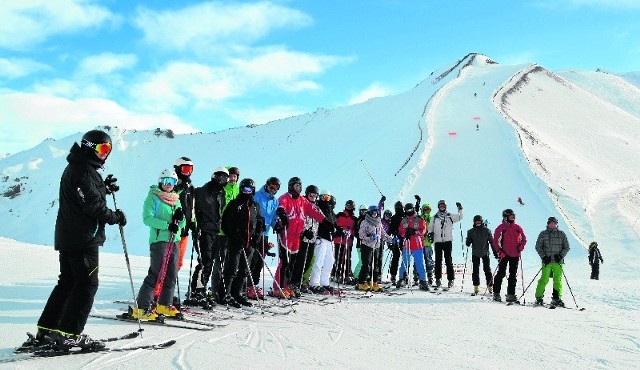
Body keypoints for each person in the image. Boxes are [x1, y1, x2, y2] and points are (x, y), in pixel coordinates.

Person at [32, 129, 126, 351]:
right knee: (86, 284)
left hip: (71, 236)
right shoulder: (83, 171)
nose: (105, 154)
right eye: (103, 149)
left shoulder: (79, 167)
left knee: (68, 282)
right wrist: (115, 217)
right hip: (83, 239)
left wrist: (104, 187)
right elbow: (92, 205)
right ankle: (70, 334)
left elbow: (86, 194)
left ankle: (47, 329)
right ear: (89, 147)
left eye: (108, 150)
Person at [131, 169, 186, 320]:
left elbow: (182, 222)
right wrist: (167, 225)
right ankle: (142, 308)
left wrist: (180, 221)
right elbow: (147, 218)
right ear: (160, 182)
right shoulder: (153, 197)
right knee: (156, 274)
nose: (169, 185)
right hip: (159, 241)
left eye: (172, 182)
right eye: (166, 181)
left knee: (171, 274)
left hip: (173, 241)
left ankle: (164, 304)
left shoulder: (176, 199)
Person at [273, 177, 327, 297]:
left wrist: (326, 222)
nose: (298, 188)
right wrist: (282, 214)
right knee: (284, 262)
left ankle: (288, 286)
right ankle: (278, 287)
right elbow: (280, 207)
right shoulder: (285, 197)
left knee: (292, 263)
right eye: (296, 186)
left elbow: (313, 212)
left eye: (300, 186)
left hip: (296, 236)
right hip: (286, 234)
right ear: (291, 186)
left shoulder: (302, 200)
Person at [220, 178, 264, 308]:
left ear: (253, 190)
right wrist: (234, 235)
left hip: (250, 243)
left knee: (244, 270)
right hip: (236, 242)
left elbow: (259, 223)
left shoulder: (255, 206)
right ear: (241, 189)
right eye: (244, 189)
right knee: (231, 268)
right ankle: (225, 294)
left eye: (249, 189)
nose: (247, 192)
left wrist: (257, 237)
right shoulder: (235, 204)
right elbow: (225, 223)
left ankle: (237, 293)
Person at [188, 167, 228, 304]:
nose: (222, 181)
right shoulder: (201, 191)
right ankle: (196, 291)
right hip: (203, 231)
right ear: (214, 177)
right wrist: (195, 226)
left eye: (225, 178)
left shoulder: (220, 193)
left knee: (209, 262)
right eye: (220, 177)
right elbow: (192, 209)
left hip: (215, 231)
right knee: (205, 261)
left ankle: (201, 289)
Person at [247, 176, 281, 299]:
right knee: (253, 259)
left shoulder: (275, 201)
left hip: (265, 234)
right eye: (271, 186)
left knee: (260, 262)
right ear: (267, 185)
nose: (273, 189)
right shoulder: (257, 196)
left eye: (276, 188)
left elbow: (272, 218)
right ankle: (246, 285)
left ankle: (253, 285)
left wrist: (276, 225)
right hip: (254, 232)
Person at [289, 185, 321, 296]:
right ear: (307, 194)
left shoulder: (316, 208)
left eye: (315, 195)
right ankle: (293, 283)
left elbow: (321, 219)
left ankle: (301, 283)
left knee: (308, 262)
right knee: (299, 261)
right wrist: (304, 231)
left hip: (312, 239)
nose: (312, 197)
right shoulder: (302, 205)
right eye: (311, 195)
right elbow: (298, 219)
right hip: (302, 238)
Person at [492, 209, 526, 302]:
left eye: (513, 216)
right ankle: (496, 293)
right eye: (511, 216)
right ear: (505, 217)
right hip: (504, 254)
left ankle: (510, 295)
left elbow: (524, 239)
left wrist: (521, 247)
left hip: (515, 254)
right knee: (501, 273)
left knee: (513, 275)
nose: (513, 218)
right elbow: (495, 241)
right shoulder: (501, 228)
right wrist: (499, 251)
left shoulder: (517, 227)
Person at [309, 191, 340, 294]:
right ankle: (314, 283)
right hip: (321, 237)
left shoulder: (330, 209)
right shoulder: (318, 206)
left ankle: (324, 282)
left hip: (329, 239)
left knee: (330, 261)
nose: (325, 199)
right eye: (323, 197)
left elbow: (334, 223)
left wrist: (338, 230)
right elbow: (318, 219)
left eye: (327, 197)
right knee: (319, 261)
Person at [534, 217, 570, 306]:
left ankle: (556, 298)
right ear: (548, 223)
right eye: (551, 223)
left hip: (558, 262)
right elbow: (538, 247)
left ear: (557, 224)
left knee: (558, 280)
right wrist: (544, 257)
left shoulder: (561, 234)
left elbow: (567, 247)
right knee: (544, 279)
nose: (553, 224)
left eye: (554, 223)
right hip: (547, 262)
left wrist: (561, 256)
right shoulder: (543, 234)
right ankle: (538, 297)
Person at [428, 200, 463, 289]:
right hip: (438, 242)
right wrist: (430, 234)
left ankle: (450, 280)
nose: (442, 207)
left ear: (445, 207)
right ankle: (438, 279)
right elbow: (430, 227)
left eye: (443, 205)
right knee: (438, 261)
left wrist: (460, 209)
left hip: (447, 241)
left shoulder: (450, 216)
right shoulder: (434, 217)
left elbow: (460, 217)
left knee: (448, 261)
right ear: (438, 206)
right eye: (441, 205)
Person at [357, 205, 390, 291]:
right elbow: (361, 235)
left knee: (376, 265)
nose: (375, 214)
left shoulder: (379, 223)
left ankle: (374, 282)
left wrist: (391, 239)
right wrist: (370, 237)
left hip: (376, 246)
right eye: (373, 212)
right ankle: (361, 282)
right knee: (367, 264)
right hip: (367, 246)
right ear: (369, 213)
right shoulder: (365, 222)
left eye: (376, 212)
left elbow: (383, 234)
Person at [397, 203, 429, 291]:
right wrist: (404, 233)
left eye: (410, 210)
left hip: (417, 244)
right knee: (405, 262)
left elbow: (423, 230)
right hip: (407, 244)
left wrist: (415, 232)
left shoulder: (419, 219)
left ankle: (422, 280)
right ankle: (402, 278)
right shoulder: (404, 220)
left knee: (419, 262)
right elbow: (401, 230)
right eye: (407, 211)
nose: (409, 212)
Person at [173, 157, 196, 272]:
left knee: (178, 263)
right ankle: (158, 290)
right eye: (185, 169)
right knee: (168, 263)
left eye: (190, 169)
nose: (187, 172)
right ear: (178, 168)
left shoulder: (190, 187)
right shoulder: (171, 183)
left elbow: (192, 207)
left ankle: (168, 288)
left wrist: (193, 222)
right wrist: (179, 188)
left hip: (184, 231)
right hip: (173, 230)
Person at [465, 215, 494, 295]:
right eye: (476, 221)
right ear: (474, 222)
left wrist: (495, 253)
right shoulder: (471, 231)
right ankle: (476, 286)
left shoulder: (487, 230)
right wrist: (468, 241)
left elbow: (492, 242)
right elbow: (468, 242)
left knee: (487, 270)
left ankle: (490, 286)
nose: (478, 223)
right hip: (475, 253)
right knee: (475, 270)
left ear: (481, 222)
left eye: (479, 221)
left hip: (485, 252)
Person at [333, 201, 358, 285]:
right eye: (348, 206)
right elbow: (335, 224)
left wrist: (351, 232)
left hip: (348, 241)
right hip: (339, 240)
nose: (349, 207)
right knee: (339, 257)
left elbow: (355, 230)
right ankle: (337, 274)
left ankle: (347, 275)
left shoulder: (354, 218)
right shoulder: (340, 215)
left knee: (348, 258)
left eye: (351, 206)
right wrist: (340, 230)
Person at [388, 201, 405, 284]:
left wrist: (417, 203)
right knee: (395, 257)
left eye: (400, 207)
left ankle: (404, 275)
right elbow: (390, 229)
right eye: (397, 207)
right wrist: (389, 242)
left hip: (405, 239)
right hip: (397, 239)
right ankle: (393, 275)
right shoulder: (394, 217)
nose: (398, 208)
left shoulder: (405, 216)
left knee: (405, 258)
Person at [419, 203, 435, 286]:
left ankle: (430, 276)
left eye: (428, 209)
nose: (427, 211)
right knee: (419, 260)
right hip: (420, 243)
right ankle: (418, 276)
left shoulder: (432, 219)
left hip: (428, 243)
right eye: (425, 209)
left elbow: (434, 228)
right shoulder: (420, 218)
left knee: (428, 259)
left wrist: (432, 234)